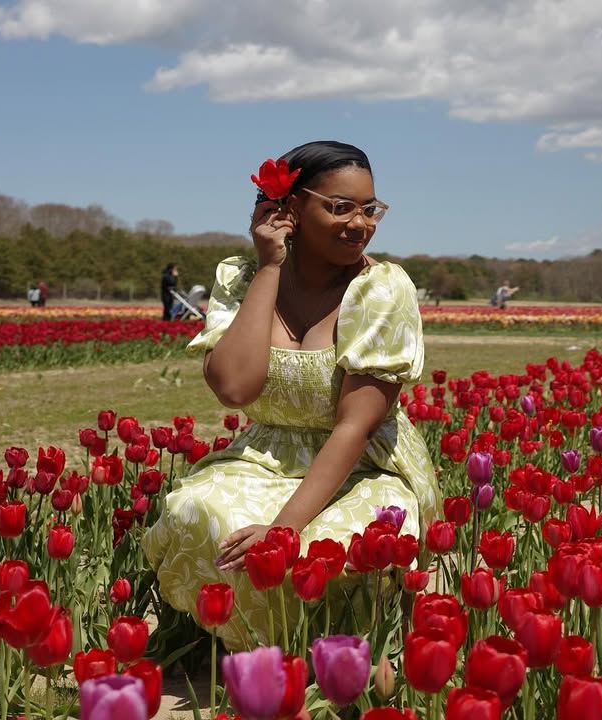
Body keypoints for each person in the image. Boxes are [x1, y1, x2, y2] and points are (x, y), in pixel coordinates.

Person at [143, 141, 440, 650]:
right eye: (340, 207)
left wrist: (283, 530)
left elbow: (355, 425)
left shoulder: (381, 290)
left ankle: (341, 655)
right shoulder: (241, 278)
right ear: (290, 209)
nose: (360, 224)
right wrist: (268, 268)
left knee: (333, 544)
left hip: (363, 464)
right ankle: (245, 650)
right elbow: (234, 388)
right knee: (199, 510)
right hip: (263, 457)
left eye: (370, 209)